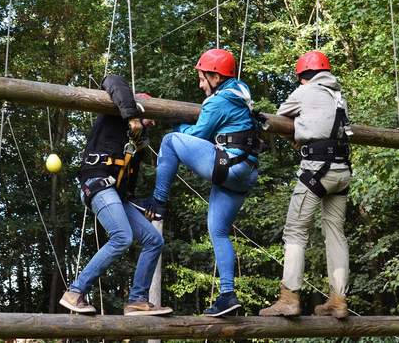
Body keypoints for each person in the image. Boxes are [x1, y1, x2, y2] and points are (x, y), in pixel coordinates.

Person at [132, 48, 261, 316]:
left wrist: (176, 125)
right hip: (245, 172)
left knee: (170, 141)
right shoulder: (240, 92)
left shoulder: (218, 102)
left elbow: (197, 134)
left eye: (203, 78)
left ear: (215, 76)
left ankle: (158, 202)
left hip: (232, 165)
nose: (201, 84)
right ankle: (228, 295)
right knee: (219, 232)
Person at [60, 74, 172, 316]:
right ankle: (75, 292)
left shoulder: (136, 142)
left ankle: (137, 300)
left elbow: (127, 186)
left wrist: (144, 205)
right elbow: (112, 80)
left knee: (154, 240)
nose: (150, 124)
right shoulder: (114, 113)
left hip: (117, 195)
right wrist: (131, 115)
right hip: (96, 183)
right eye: (149, 118)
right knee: (122, 237)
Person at [259, 50, 352, 319]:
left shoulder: (306, 91)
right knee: (335, 233)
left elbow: (280, 117)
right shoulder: (339, 96)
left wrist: (298, 131)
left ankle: (289, 297)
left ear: (302, 77)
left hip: (316, 171)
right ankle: (338, 300)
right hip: (342, 171)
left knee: (295, 231)